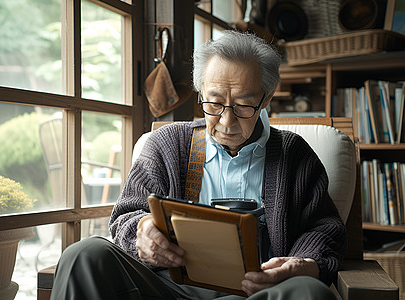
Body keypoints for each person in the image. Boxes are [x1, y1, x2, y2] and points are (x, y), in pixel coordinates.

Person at [50, 30, 346, 300]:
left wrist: (302, 265)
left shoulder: (294, 156)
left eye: (244, 105)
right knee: (83, 254)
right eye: (214, 103)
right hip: (168, 290)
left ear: (266, 98)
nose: (227, 122)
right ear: (200, 93)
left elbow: (324, 229)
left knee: (309, 292)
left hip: (256, 295)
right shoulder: (167, 145)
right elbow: (127, 215)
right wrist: (143, 231)